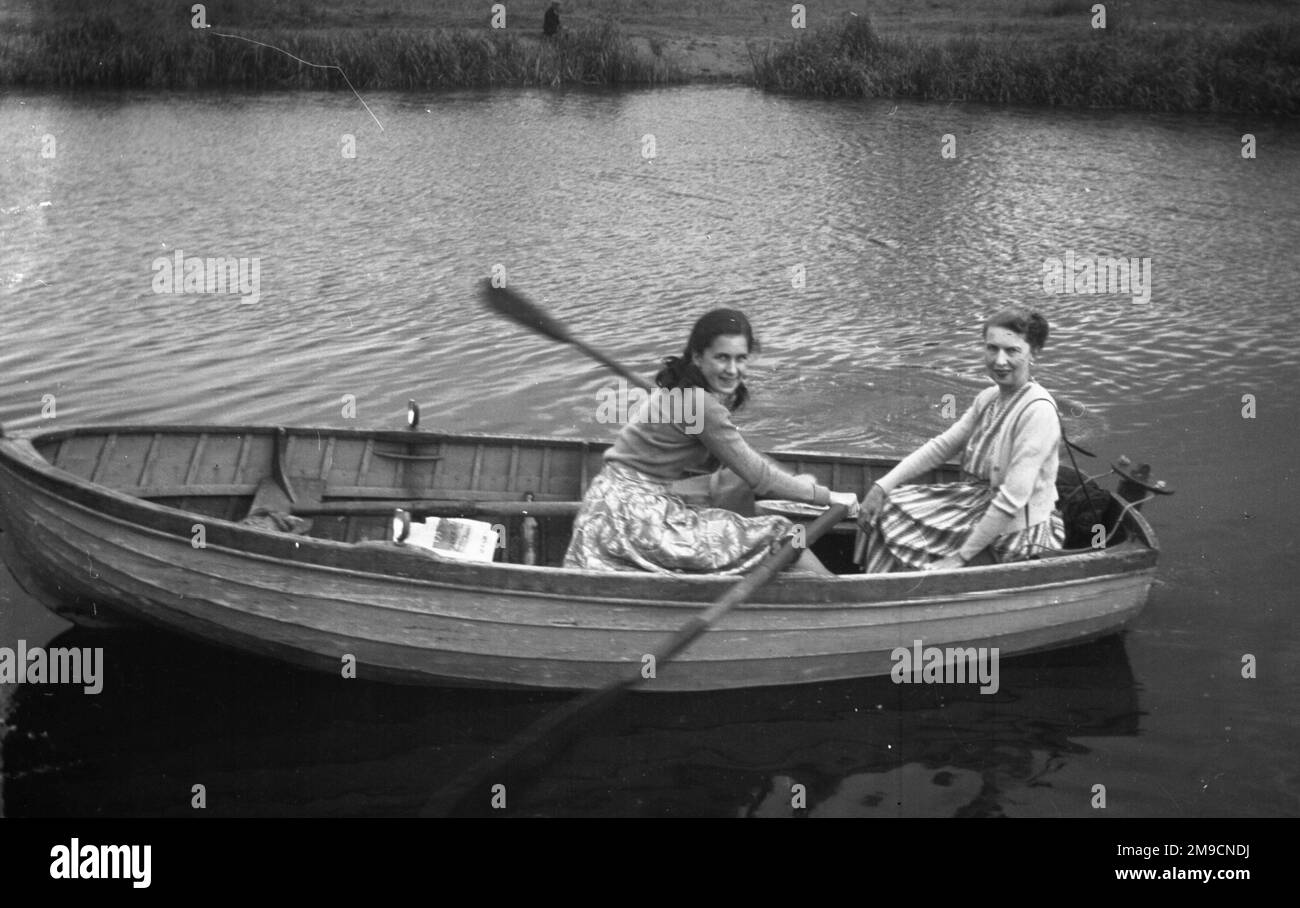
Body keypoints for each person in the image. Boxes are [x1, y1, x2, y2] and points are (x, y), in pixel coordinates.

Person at [564, 309, 860, 575]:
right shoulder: (700, 404)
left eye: (740, 358)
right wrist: (828, 497)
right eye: (722, 357)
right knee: (784, 534)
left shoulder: (680, 391)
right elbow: (758, 476)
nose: (732, 370)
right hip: (635, 518)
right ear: (697, 357)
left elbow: (738, 463)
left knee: (737, 489)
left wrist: (799, 487)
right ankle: (839, 597)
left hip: (607, 504)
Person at [856, 308, 1065, 572]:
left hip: (1017, 530)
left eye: (1012, 351)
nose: (999, 361)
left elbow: (1012, 499)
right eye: (992, 348)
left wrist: (959, 558)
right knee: (887, 507)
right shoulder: (989, 398)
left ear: (1033, 352)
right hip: (977, 503)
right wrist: (880, 488)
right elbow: (941, 447)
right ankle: (879, 586)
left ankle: (894, 591)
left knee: (900, 531)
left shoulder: (1039, 412)